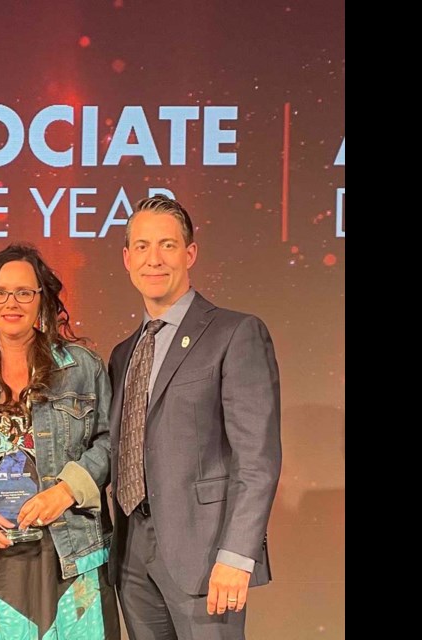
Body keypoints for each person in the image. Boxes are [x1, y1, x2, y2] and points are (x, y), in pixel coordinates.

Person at [108, 195, 281, 639]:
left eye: (167, 245)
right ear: (127, 259)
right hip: (131, 553)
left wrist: (237, 555)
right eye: (142, 247)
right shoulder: (123, 353)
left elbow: (256, 460)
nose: (154, 259)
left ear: (190, 253)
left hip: (205, 555)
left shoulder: (234, 333)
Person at [0, 244, 120, 640]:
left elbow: (110, 441)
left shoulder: (82, 368)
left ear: (43, 302)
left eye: (24, 292)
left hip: (72, 551)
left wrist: (69, 489)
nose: (11, 302)